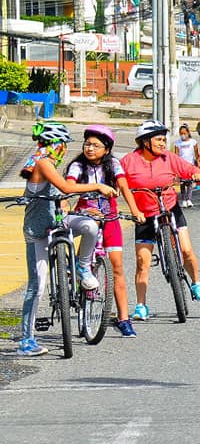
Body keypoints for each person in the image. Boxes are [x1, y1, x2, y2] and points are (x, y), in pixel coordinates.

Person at [17, 122, 118, 355]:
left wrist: (78, 209)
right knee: (37, 286)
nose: (64, 149)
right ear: (55, 144)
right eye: (62, 144)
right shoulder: (43, 163)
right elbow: (65, 186)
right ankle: (26, 340)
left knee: (90, 226)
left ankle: (83, 268)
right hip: (37, 230)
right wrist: (99, 186)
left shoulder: (49, 162)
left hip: (58, 222)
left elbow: (62, 196)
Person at [122, 120, 200, 321]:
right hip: (143, 214)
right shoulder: (129, 161)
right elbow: (116, 180)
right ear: (145, 142)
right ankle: (141, 306)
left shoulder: (169, 158)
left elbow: (192, 170)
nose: (163, 143)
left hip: (170, 208)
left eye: (164, 139)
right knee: (142, 262)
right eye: (158, 139)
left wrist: (196, 174)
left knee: (186, 250)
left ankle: (195, 283)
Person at [65, 125, 146, 338]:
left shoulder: (114, 164)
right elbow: (68, 187)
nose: (90, 148)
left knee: (117, 267)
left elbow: (124, 187)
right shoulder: (77, 165)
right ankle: (77, 274)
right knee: (82, 258)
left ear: (107, 149)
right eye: (87, 144)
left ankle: (124, 319)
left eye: (95, 145)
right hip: (86, 215)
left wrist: (136, 211)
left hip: (110, 218)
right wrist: (94, 190)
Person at [173, 124, 200, 207]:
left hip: (190, 165)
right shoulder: (178, 143)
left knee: (190, 183)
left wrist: (198, 164)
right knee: (182, 184)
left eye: (184, 133)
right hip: (181, 166)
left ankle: (189, 199)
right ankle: (183, 200)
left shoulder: (193, 142)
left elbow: (196, 154)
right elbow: (176, 155)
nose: (183, 135)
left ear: (188, 133)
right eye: (181, 133)